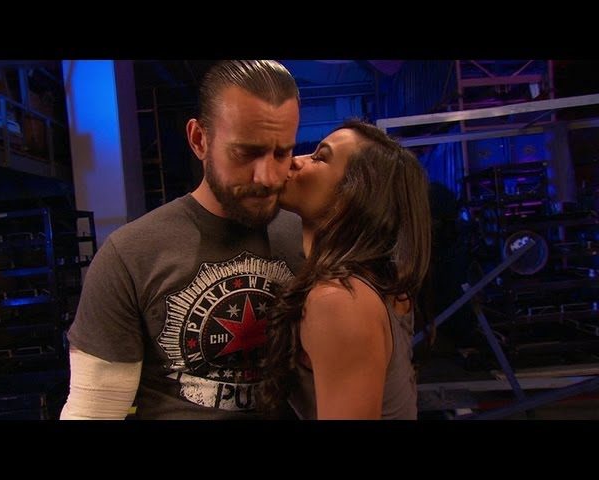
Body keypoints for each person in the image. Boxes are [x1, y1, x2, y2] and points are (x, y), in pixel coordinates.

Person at [60, 60, 304, 419]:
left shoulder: (309, 239)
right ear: (199, 140)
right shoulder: (130, 255)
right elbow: (94, 412)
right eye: (246, 153)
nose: (267, 176)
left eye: (281, 152)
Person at [260, 120, 432, 420]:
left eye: (319, 157)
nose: (295, 161)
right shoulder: (382, 280)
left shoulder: (339, 300)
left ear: (354, 195)